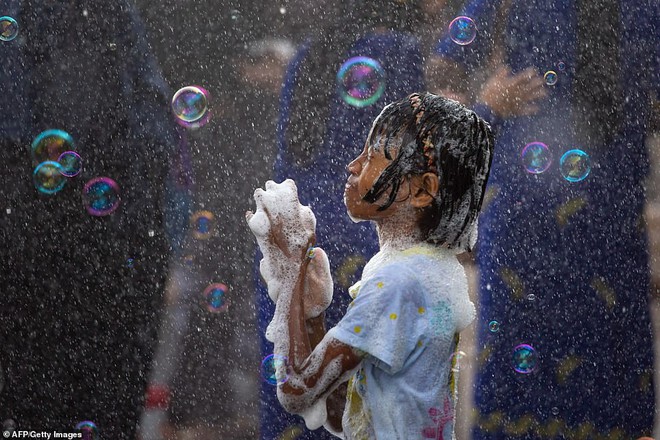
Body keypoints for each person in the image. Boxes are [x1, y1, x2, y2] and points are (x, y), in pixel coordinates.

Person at [431, 0, 660, 438]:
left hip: (611, 218)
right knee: (519, 374)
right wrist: (488, 99)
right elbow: (444, 67)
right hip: (525, 217)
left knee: (611, 372)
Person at [247, 92, 494, 438]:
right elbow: (344, 415)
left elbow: (296, 389)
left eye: (373, 156)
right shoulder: (431, 270)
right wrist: (313, 313)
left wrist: (291, 269)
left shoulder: (397, 284)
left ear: (423, 190)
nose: (353, 165)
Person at [0, 1, 181, 438]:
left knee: (97, 398)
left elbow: (155, 137)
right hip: (41, 242)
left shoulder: (114, 18)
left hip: (108, 244)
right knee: (40, 401)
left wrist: (158, 244)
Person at [254, 2, 427, 438]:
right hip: (367, 241)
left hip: (301, 237)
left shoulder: (310, 54)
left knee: (303, 400)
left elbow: (287, 159)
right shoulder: (405, 55)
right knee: (361, 409)